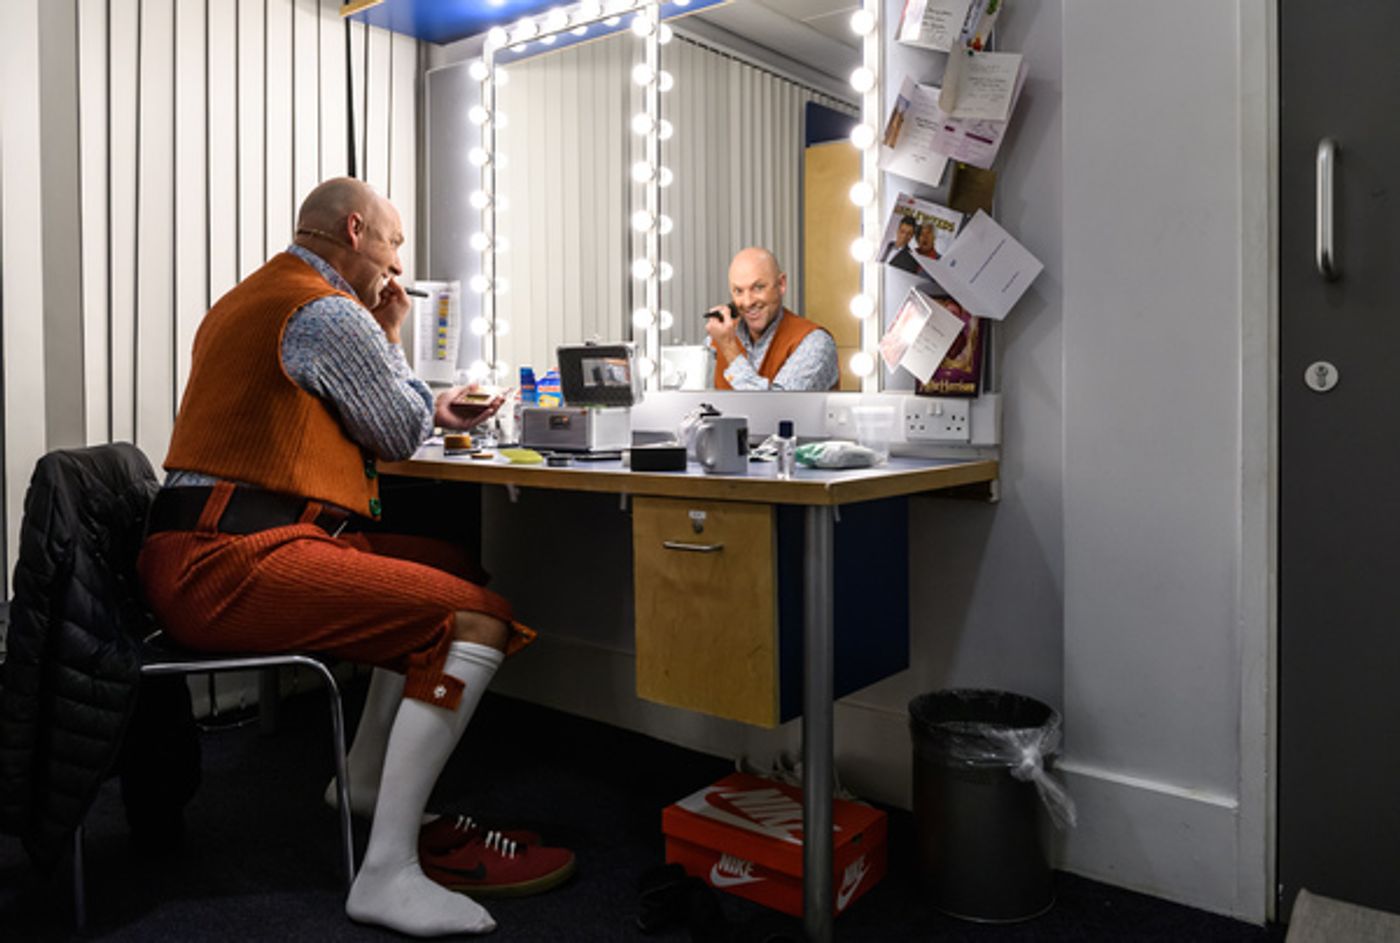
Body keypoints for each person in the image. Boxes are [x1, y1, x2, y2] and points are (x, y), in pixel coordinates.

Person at [136, 178, 573, 937]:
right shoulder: (332, 310)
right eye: (395, 244)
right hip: (226, 560)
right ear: (356, 228)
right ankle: (387, 872)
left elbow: (366, 415)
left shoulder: (252, 298)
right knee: (480, 619)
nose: (399, 263)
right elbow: (398, 432)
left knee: (453, 568)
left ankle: (364, 780)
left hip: (202, 541)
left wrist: (425, 401)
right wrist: (393, 333)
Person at [705, 247, 839, 391]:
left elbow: (774, 409)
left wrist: (729, 349)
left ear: (781, 284)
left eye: (758, 288)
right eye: (738, 291)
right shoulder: (717, 340)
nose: (748, 302)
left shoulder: (815, 343)